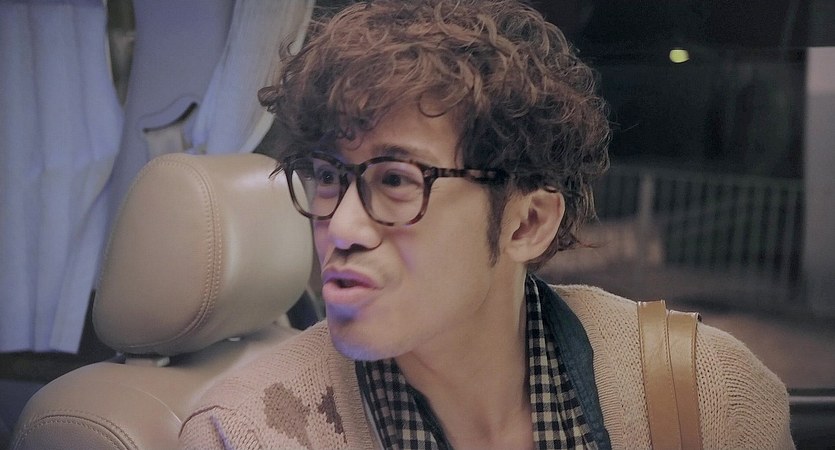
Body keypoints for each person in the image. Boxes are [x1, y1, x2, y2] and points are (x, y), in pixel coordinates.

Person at [180, 1, 794, 448]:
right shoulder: (248, 432)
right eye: (327, 176)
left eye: (395, 180)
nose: (342, 227)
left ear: (527, 224)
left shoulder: (705, 398)